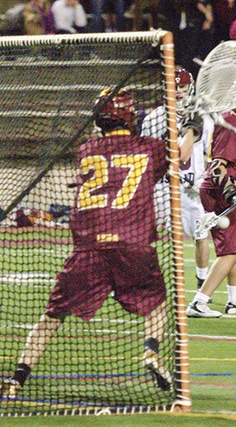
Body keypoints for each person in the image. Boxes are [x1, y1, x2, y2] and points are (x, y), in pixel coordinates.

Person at [0, 87, 172, 398]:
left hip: (89, 247)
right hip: (133, 243)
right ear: (130, 117)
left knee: (52, 316)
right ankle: (150, 349)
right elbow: (180, 155)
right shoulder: (150, 147)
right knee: (156, 304)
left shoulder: (87, 150)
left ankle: (17, 378)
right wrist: (190, 129)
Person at [185, 90, 236, 318]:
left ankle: (235, 300)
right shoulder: (232, 121)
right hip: (221, 189)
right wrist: (230, 192)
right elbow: (219, 164)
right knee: (229, 253)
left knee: (234, 248)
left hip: (223, 189)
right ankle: (200, 302)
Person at [141, 67, 213, 293]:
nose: (179, 92)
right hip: (163, 187)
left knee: (201, 236)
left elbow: (209, 153)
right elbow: (147, 156)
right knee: (149, 236)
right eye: (175, 87)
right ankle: (143, 281)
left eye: (182, 87)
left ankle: (202, 284)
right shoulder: (154, 119)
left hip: (192, 188)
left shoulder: (203, 118)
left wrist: (207, 179)